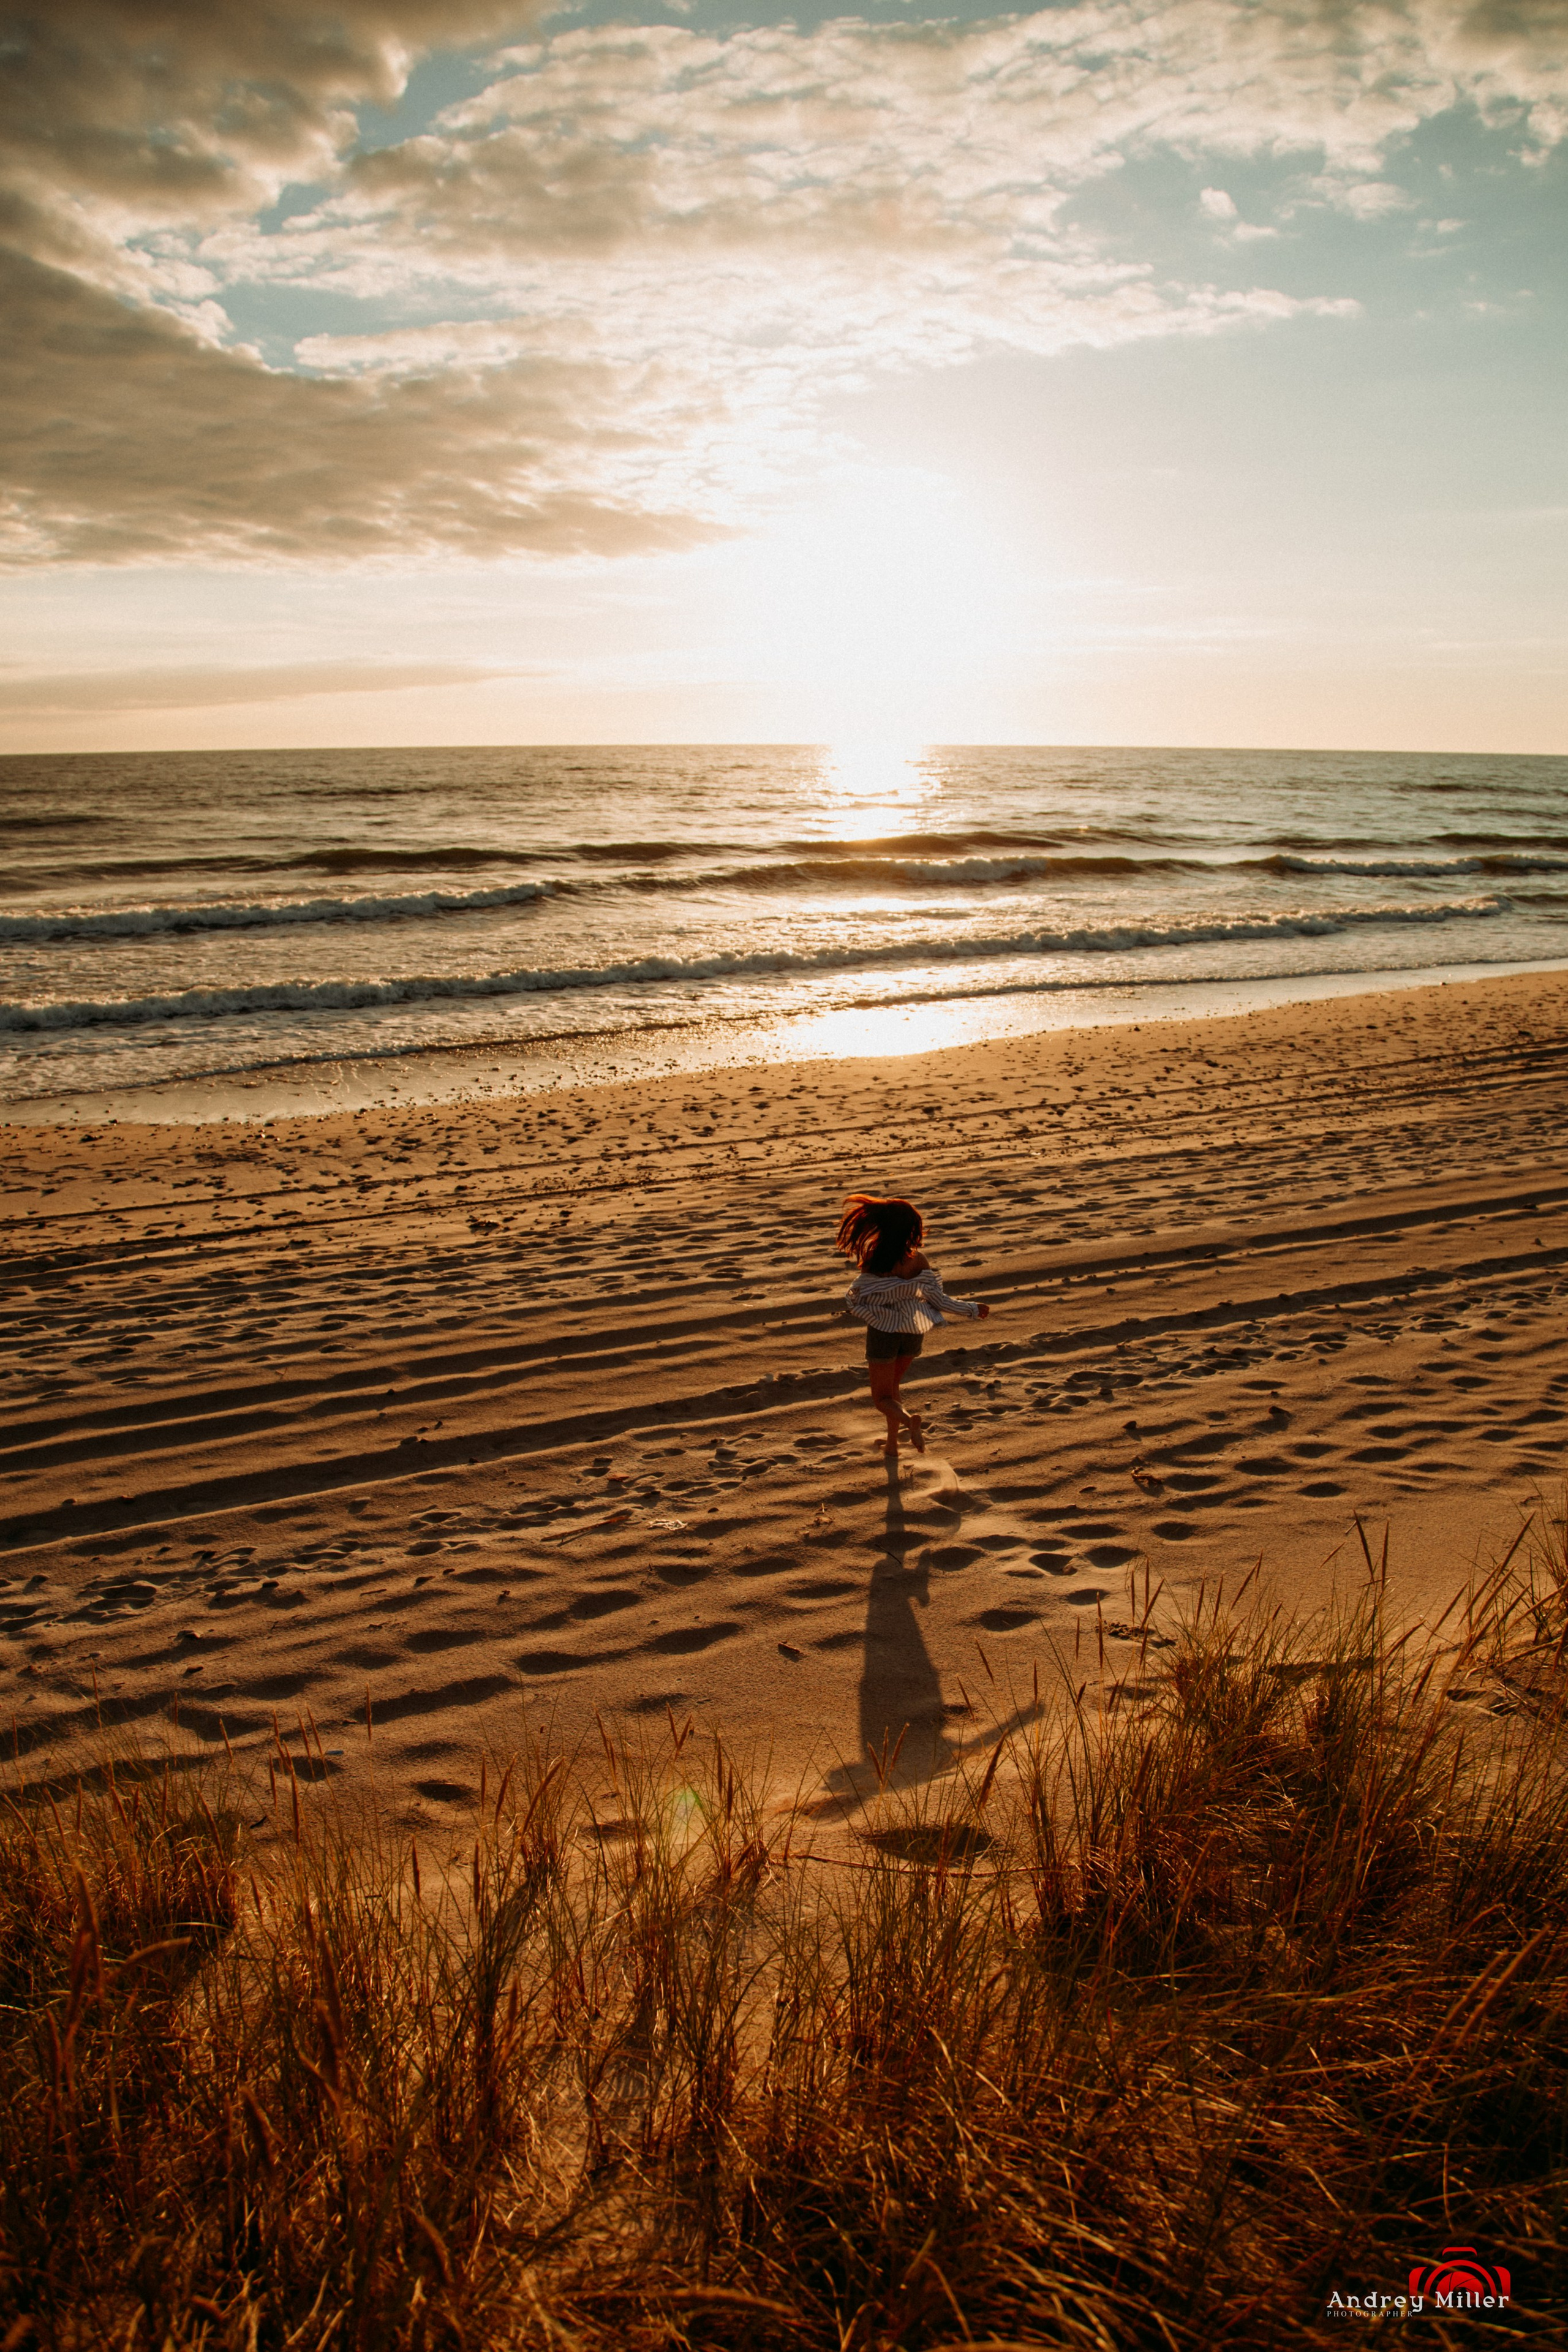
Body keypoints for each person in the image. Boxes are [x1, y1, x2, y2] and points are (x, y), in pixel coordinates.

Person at [837, 1193, 990, 1455]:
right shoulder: (918, 1260)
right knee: (894, 1389)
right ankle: (893, 1445)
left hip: (884, 1333)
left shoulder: (875, 1258)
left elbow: (860, 1295)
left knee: (882, 1399)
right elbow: (938, 1300)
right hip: (913, 1332)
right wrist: (973, 1309)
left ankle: (909, 1422)